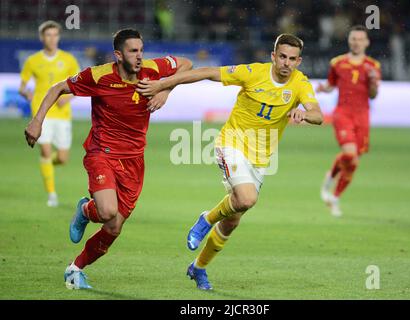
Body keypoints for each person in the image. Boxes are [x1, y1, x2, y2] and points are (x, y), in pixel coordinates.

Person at [136, 33, 323, 290]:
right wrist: (165, 84)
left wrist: (305, 113)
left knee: (233, 219)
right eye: (282, 56)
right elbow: (207, 72)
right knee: (246, 199)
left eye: (292, 59)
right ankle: (206, 219)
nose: (286, 63)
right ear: (273, 56)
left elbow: (318, 114)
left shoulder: (300, 84)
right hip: (231, 144)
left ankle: (198, 268)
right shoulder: (252, 72)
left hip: (260, 159)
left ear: (299, 61)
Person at [24, 28, 192, 289]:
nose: (139, 57)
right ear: (118, 54)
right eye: (133, 51)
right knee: (107, 211)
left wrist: (165, 89)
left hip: (134, 160)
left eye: (141, 50)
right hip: (102, 153)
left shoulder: (152, 70)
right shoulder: (99, 76)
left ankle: (75, 268)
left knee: (113, 228)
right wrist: (37, 121)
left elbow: (186, 64)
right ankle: (86, 210)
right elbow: (58, 88)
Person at [316, 25, 381, 217]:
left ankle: (335, 197)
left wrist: (372, 82)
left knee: (353, 163)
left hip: (362, 116)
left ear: (366, 42)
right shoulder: (337, 63)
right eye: (354, 38)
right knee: (350, 154)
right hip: (343, 113)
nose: (357, 42)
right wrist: (323, 88)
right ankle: (330, 177)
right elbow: (331, 85)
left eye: (360, 39)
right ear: (349, 41)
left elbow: (374, 95)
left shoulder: (373, 66)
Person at [19, 20, 80, 207]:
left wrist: (67, 99)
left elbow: (79, 87)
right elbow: (22, 86)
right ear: (42, 37)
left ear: (59, 37)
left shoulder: (69, 60)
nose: (52, 38)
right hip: (41, 113)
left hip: (62, 114)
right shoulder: (32, 61)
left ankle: (46, 167)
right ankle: (52, 194)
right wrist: (27, 93)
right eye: (48, 35)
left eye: (55, 35)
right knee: (45, 150)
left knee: (62, 158)